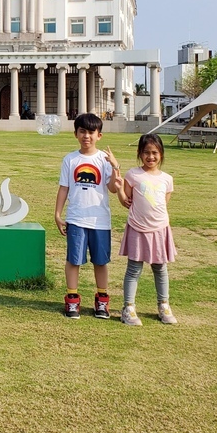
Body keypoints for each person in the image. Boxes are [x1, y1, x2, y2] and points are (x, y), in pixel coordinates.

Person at [54, 112, 124, 319]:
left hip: (99, 219)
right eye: (82, 131)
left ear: (99, 135)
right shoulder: (70, 159)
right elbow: (64, 188)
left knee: (100, 261)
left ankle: (102, 300)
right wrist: (58, 214)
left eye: (91, 132)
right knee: (73, 259)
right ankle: (72, 299)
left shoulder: (104, 159)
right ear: (75, 133)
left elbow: (111, 188)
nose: (87, 136)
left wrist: (115, 167)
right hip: (76, 218)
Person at [116, 133, 178, 326]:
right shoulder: (133, 175)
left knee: (160, 268)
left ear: (161, 154)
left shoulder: (167, 179)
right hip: (137, 227)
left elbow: (164, 202)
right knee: (134, 268)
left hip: (159, 228)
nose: (150, 157)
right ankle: (129, 307)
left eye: (154, 153)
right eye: (146, 153)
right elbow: (126, 201)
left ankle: (164, 305)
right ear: (139, 154)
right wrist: (119, 188)